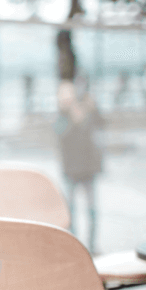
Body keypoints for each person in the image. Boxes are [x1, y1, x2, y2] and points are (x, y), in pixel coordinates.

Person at [55, 78, 103, 252]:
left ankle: (92, 244)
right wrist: (74, 117)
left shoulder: (85, 110)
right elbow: (63, 137)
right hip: (71, 170)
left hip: (87, 168)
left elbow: (99, 124)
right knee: (71, 211)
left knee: (92, 209)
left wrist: (91, 108)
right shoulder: (61, 117)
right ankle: (75, 246)